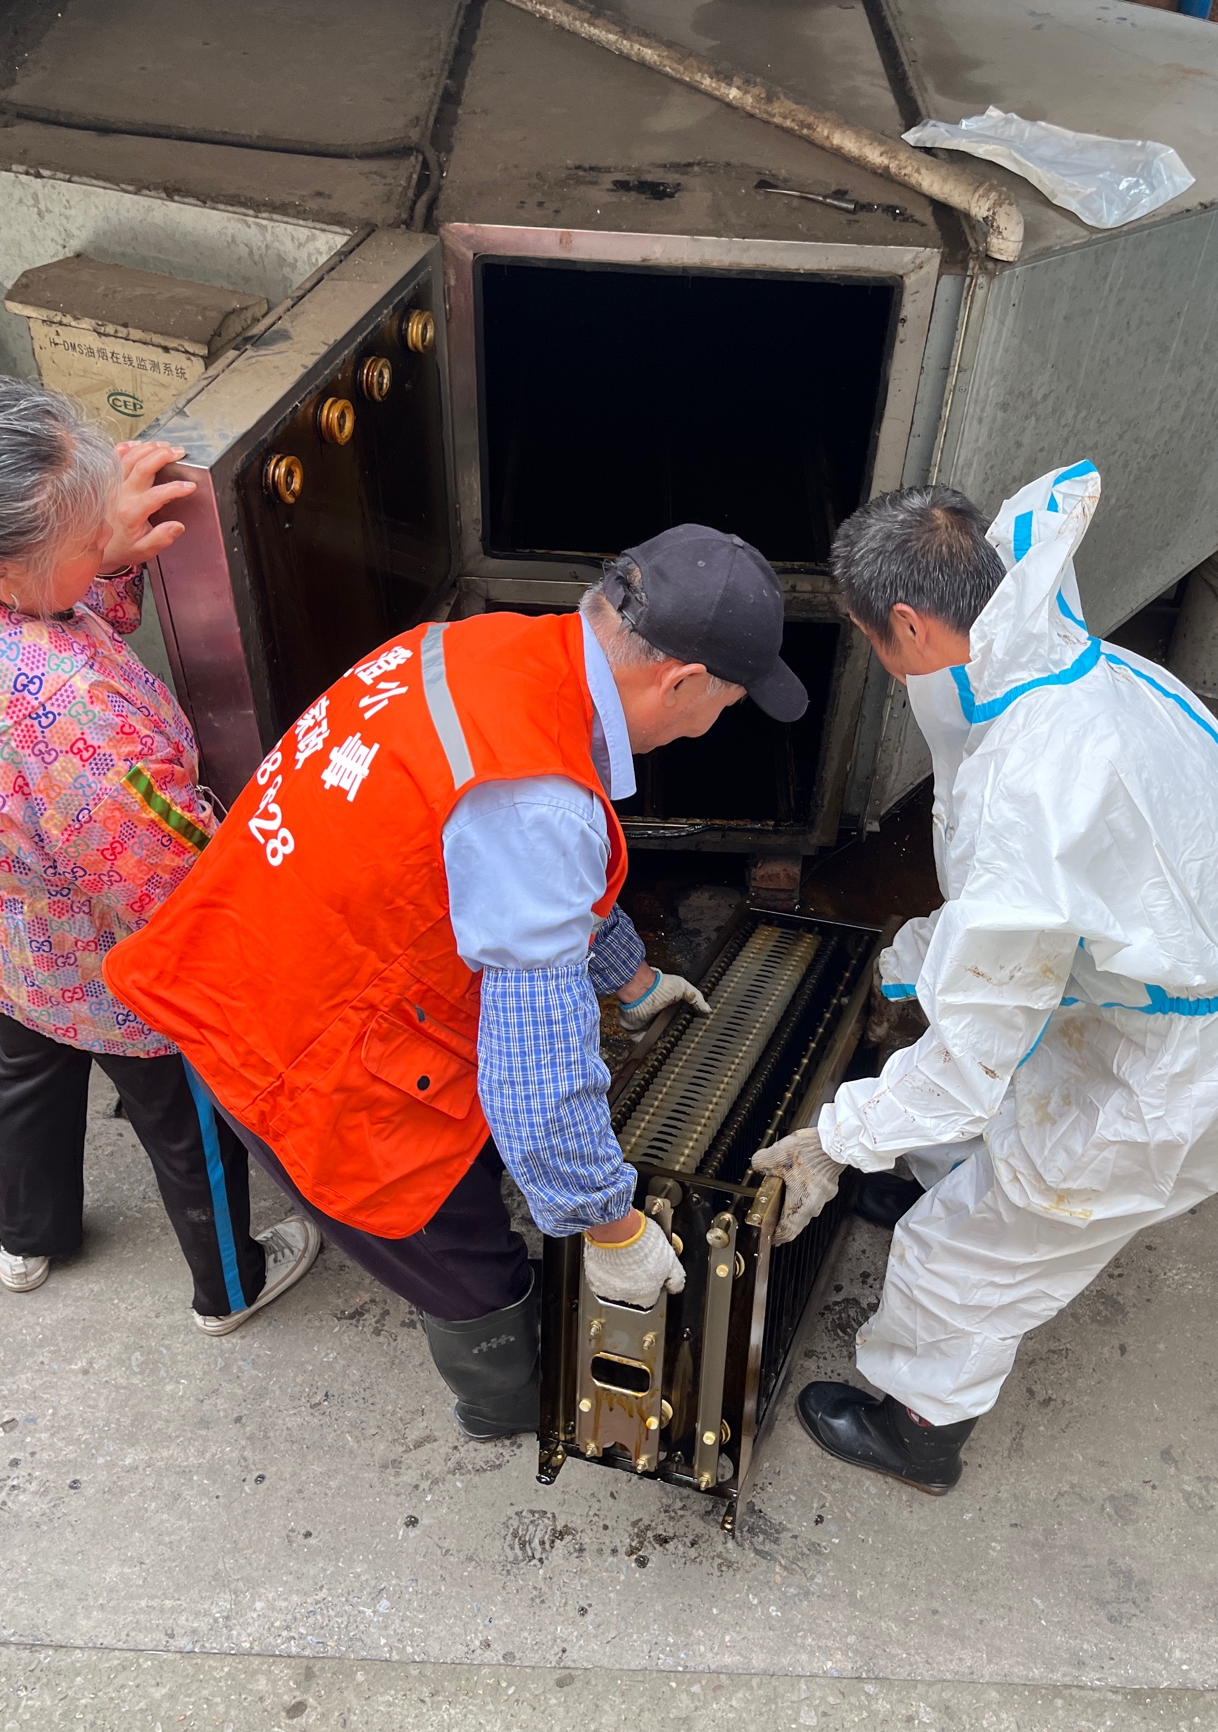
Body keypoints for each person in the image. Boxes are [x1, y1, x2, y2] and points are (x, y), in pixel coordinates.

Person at [104, 524, 808, 1438]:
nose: (712, 725)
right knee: (464, 1256)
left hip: (241, 954)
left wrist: (631, 977)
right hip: (299, 1049)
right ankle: (504, 1401)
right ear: (680, 682)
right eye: (725, 704)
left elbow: (509, 870)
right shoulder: (538, 799)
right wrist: (611, 1229)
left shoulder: (483, 647)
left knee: (478, 1156)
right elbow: (536, 1078)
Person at [753, 462, 1218, 1495]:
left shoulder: (1032, 787)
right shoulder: (1079, 670)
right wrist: (914, 961)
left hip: (1160, 1079)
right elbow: (1039, 912)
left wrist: (836, 1140)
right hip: (1149, 1004)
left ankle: (919, 1430)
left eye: (870, 638)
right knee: (990, 1123)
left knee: (966, 1257)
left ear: (907, 624)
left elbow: (970, 1055)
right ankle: (931, 1179)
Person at [0, 375, 320, 1329]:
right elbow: (168, 886)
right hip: (104, 967)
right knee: (184, 1118)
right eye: (92, 539)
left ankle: (29, 1237)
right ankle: (230, 1284)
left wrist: (99, 550)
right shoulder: (71, 716)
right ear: (5, 578)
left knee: (26, 1066)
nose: (109, 540)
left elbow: (48, 598)